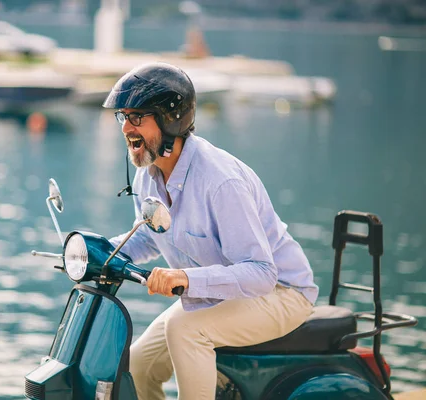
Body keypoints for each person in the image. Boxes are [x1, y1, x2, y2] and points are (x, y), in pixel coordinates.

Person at [104, 62, 319, 400]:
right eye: (123, 117)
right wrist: (96, 250)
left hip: (281, 292)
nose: (126, 128)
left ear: (168, 119)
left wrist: (186, 279)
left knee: (185, 329)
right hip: (220, 292)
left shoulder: (220, 182)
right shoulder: (148, 175)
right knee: (139, 364)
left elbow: (262, 273)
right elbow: (149, 235)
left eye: (137, 118)